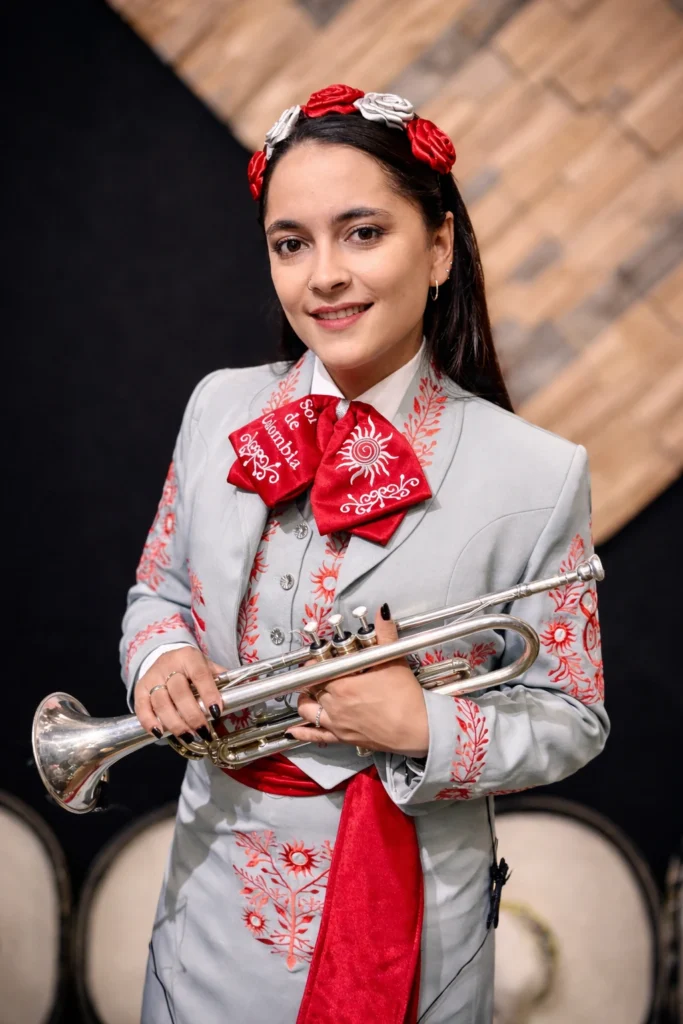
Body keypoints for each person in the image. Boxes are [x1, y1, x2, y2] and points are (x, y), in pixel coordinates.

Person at [120, 84, 609, 1024]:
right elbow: (159, 590)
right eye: (290, 243)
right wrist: (163, 656)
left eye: (362, 233)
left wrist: (421, 725)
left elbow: (570, 715)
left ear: (437, 249)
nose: (323, 276)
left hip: (417, 915)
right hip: (212, 893)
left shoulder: (538, 471)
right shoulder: (218, 407)